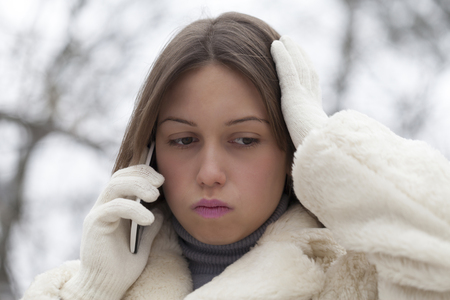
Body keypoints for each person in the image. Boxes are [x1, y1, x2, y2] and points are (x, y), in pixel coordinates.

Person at [21, 12, 450, 300]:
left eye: (244, 140)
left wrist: (328, 143)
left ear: (291, 150)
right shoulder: (68, 289)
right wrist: (95, 289)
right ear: (151, 153)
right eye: (183, 140)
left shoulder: (362, 279)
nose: (209, 174)